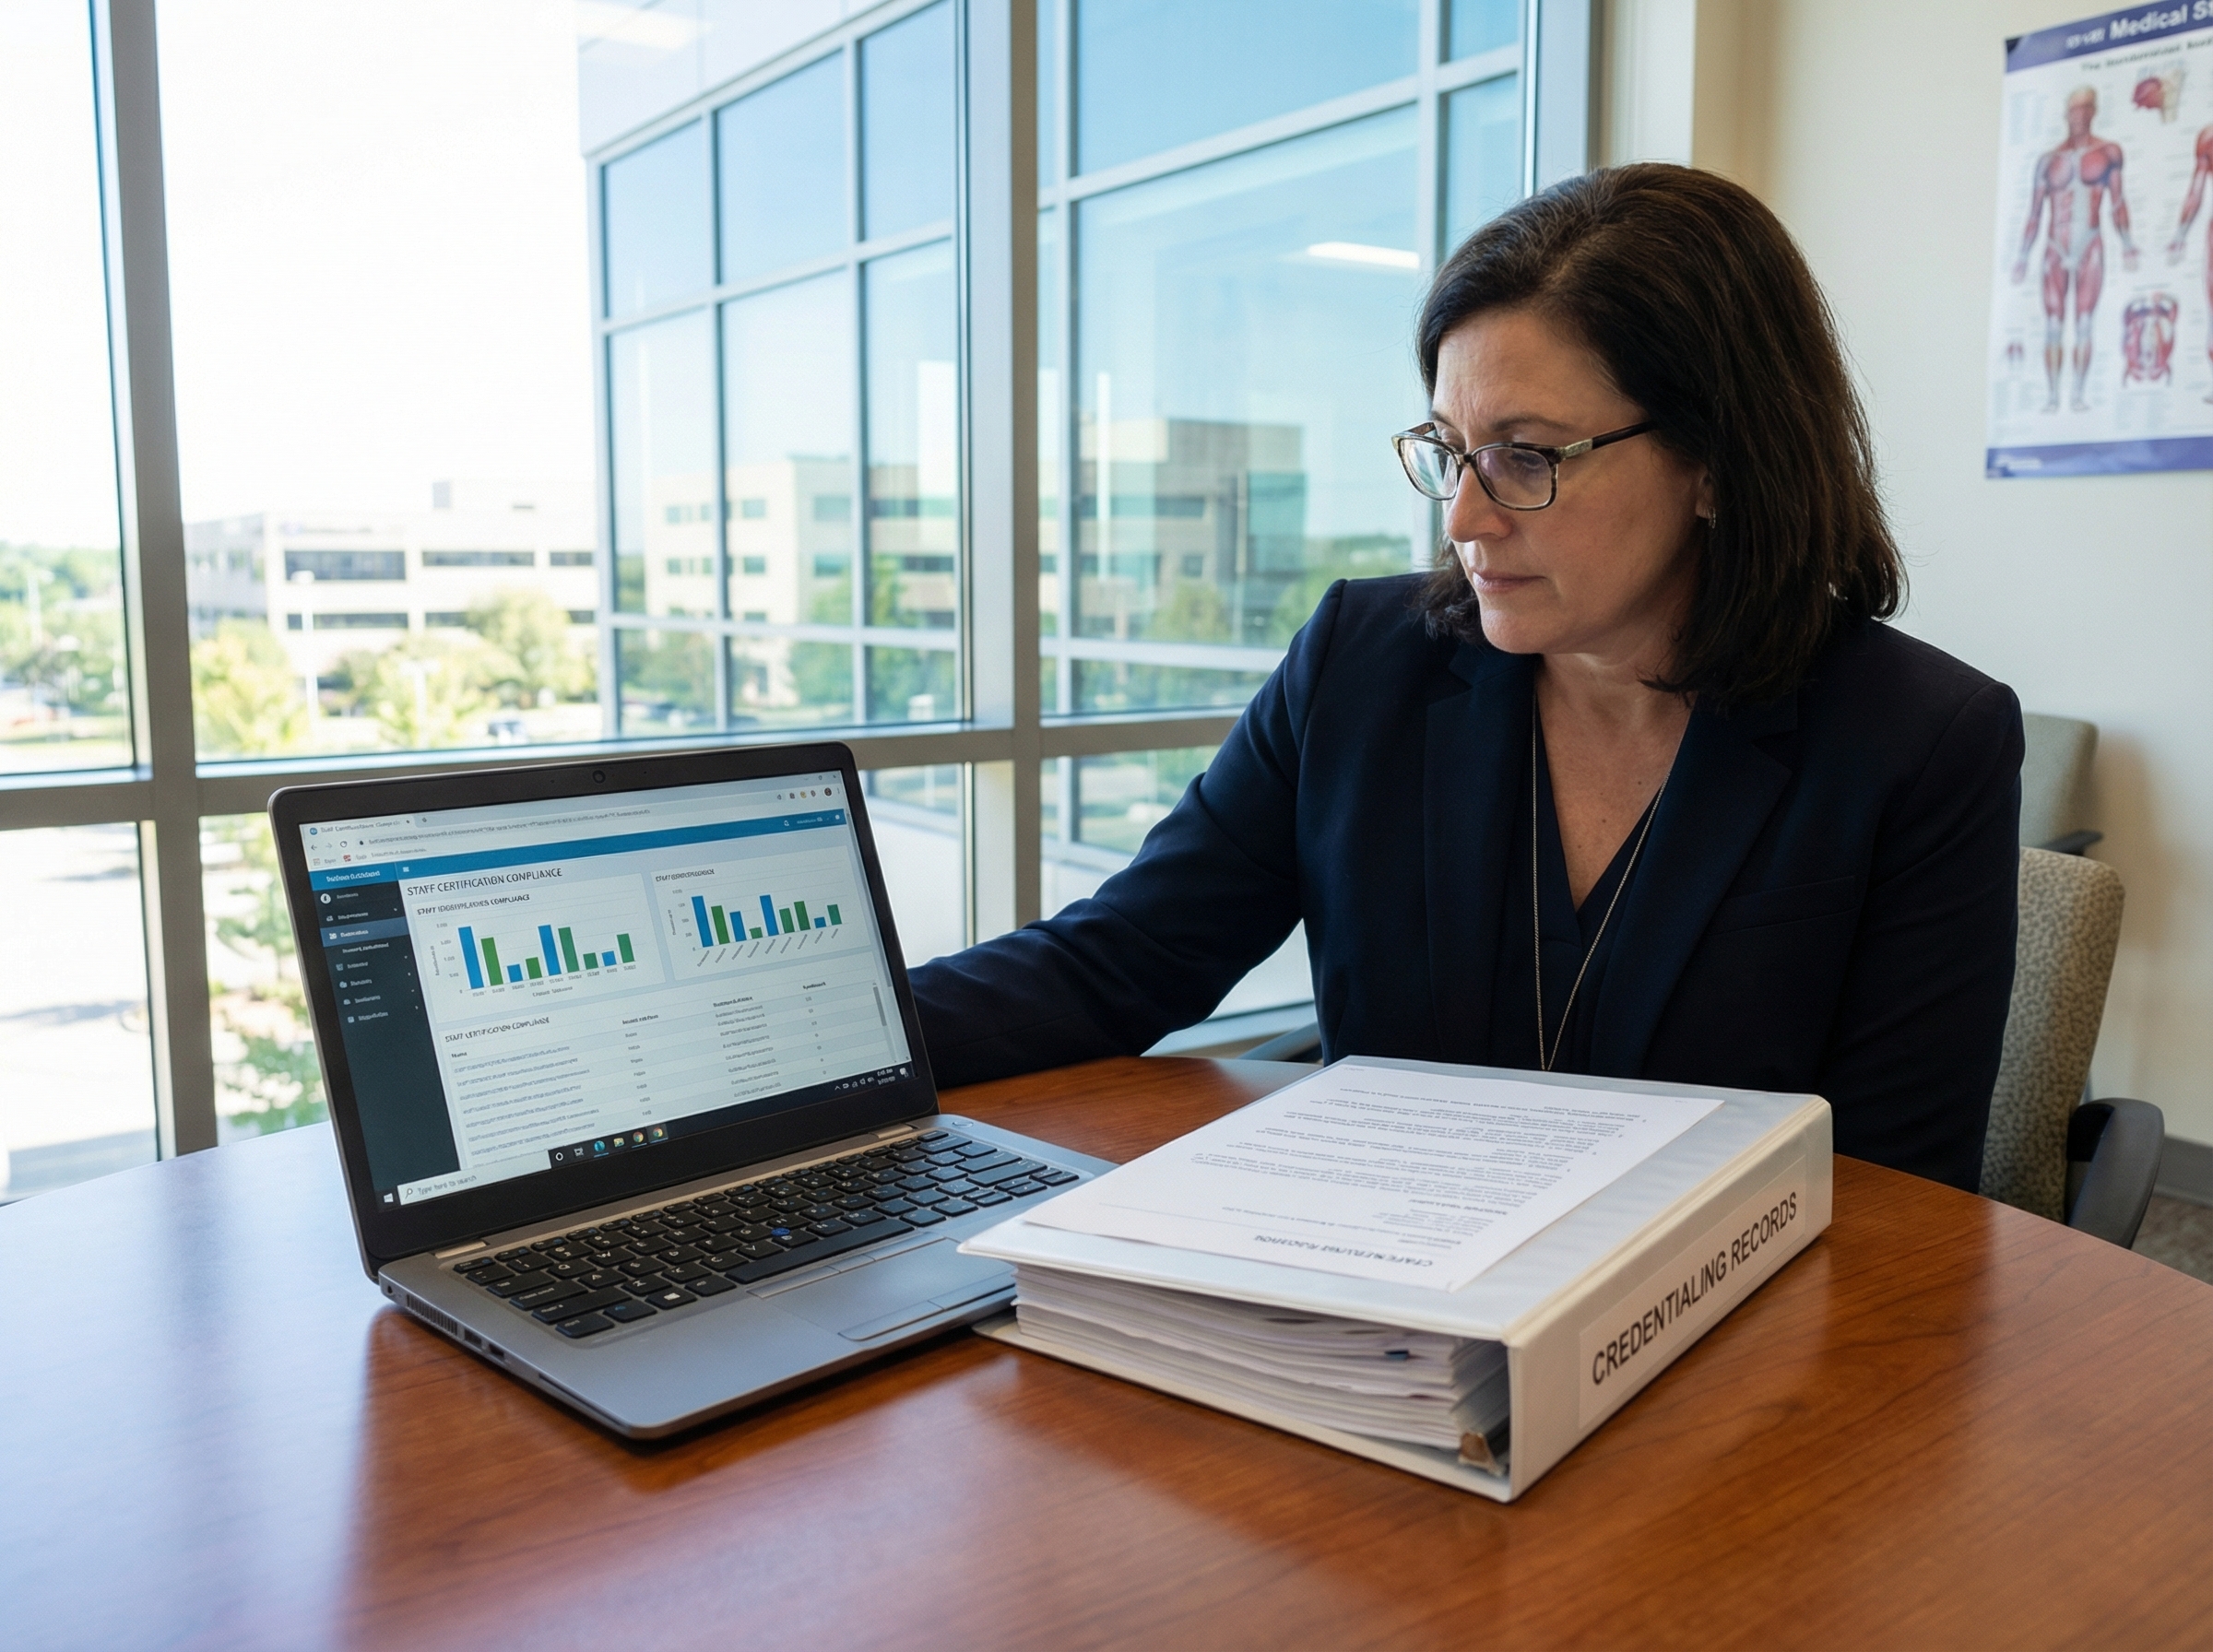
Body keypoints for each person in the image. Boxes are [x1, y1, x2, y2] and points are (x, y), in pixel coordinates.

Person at [910, 164, 2022, 1192]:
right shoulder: (1360, 660)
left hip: (1711, 1338)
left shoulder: (1920, 741)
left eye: (1526, 456)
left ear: (1717, 467)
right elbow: (1120, 960)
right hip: (1376, 1312)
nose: (1464, 517)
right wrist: (814, 1046)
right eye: (1451, 449)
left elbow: (1898, 1194)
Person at [2012, 86, 2137, 412]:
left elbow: (2118, 202)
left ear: (2094, 112)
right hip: (2054, 246)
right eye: (2075, 109)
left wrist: (2127, 244)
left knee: (2084, 323)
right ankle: (2053, 397)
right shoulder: (2048, 161)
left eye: (2086, 109)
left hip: (2090, 245)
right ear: (2067, 114)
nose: (2080, 115)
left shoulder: (2108, 152)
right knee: (2053, 326)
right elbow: (2035, 213)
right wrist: (2023, 256)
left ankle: (2078, 396)